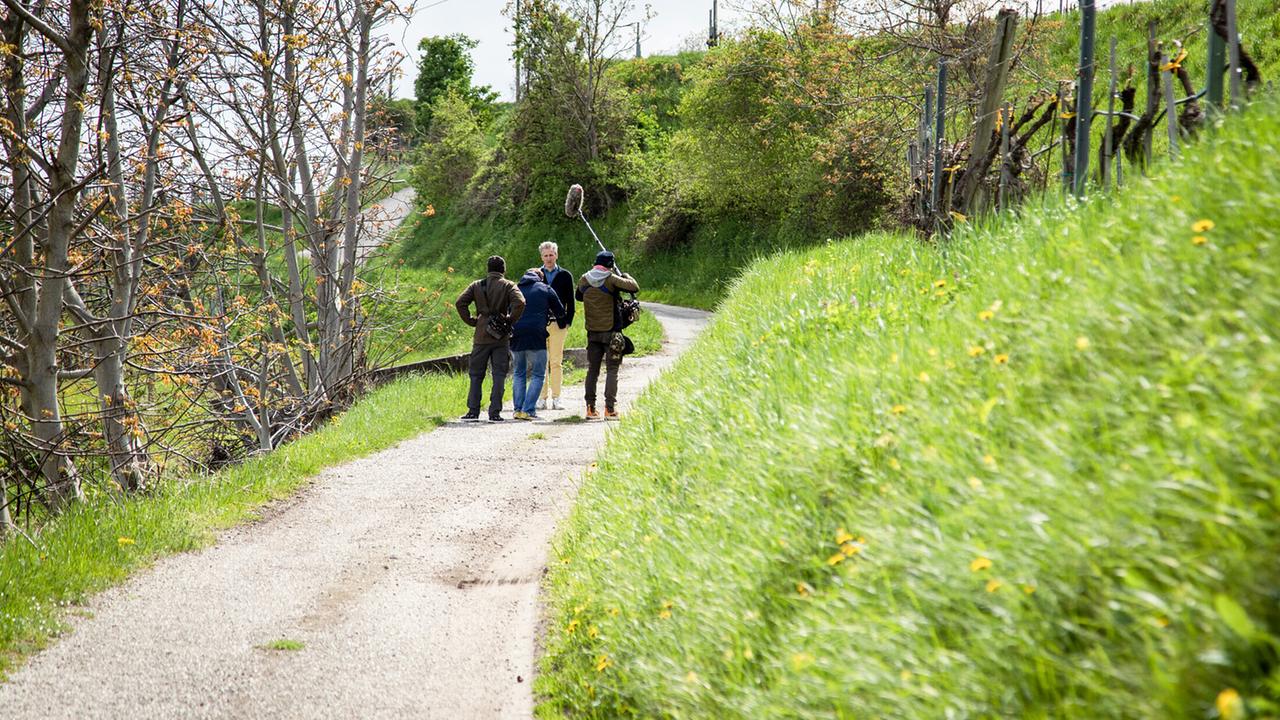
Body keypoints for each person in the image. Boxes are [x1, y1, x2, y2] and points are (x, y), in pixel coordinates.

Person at [455, 255, 525, 422]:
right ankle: (494, 413)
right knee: (499, 374)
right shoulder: (508, 285)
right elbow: (520, 302)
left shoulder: (477, 285)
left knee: (476, 375)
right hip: (500, 336)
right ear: (503, 270)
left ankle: (473, 411)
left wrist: (472, 321)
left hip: (481, 335)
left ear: (488, 269)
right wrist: (509, 320)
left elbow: (460, 303)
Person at [575, 250, 639, 420]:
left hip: (592, 333)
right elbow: (633, 287)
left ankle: (590, 408)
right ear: (610, 265)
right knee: (612, 370)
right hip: (612, 333)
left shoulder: (584, 279)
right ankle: (609, 410)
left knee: (592, 371)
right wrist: (625, 274)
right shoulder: (611, 279)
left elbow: (578, 296)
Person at [510, 268, 565, 420]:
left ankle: (518, 410)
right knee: (538, 373)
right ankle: (529, 410)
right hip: (536, 335)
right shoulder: (545, 289)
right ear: (539, 278)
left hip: (516, 335)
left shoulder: (515, 289)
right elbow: (560, 311)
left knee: (519, 373)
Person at [536, 241, 575, 411]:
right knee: (541, 362)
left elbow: (571, 302)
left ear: (556, 255)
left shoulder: (565, 275)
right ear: (541, 257)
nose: (549, 258)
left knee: (556, 362)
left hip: (558, 324)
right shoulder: (536, 275)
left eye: (551, 255)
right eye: (545, 255)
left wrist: (568, 322)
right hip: (539, 324)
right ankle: (542, 398)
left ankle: (557, 397)